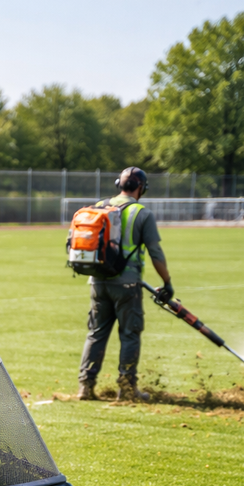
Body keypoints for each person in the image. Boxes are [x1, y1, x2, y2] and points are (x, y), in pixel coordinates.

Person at [77, 166, 174, 401]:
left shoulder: (99, 206)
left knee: (96, 333)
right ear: (141, 188)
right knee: (130, 334)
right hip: (127, 285)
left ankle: (86, 387)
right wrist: (167, 282)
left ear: (118, 184)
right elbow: (155, 253)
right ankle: (128, 389)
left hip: (98, 282)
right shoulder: (142, 213)